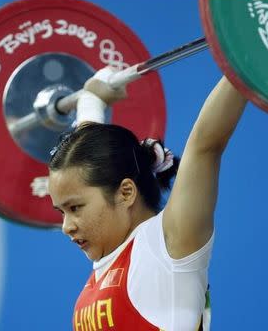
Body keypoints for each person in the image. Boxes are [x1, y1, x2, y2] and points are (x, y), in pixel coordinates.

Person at [48, 67, 247, 331]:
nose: (67, 226)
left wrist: (246, 59)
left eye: (75, 208)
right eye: (62, 211)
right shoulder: (108, 258)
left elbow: (205, 145)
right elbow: (88, 158)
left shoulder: (166, 246)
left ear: (126, 193)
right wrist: (91, 101)